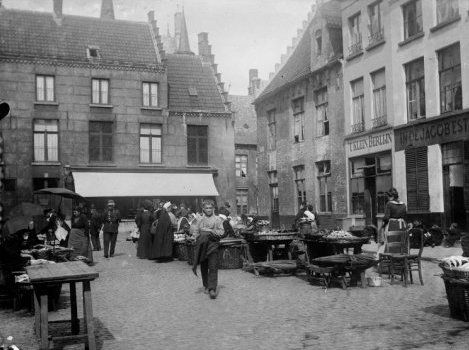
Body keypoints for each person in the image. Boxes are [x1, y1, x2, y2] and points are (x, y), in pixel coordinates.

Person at [192, 199, 226, 299]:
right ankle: (206, 285)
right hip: (202, 246)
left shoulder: (217, 219)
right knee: (204, 266)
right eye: (206, 208)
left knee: (213, 266)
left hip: (213, 245)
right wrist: (196, 239)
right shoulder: (200, 220)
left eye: (210, 208)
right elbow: (196, 232)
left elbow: (221, 232)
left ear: (213, 208)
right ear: (203, 209)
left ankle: (212, 289)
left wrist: (210, 231)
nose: (208, 210)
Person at [378, 188, 407, 255]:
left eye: (388, 196)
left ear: (391, 196)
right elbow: (405, 216)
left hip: (393, 226)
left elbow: (386, 217)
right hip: (402, 226)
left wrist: (383, 224)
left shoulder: (389, 204)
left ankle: (391, 257)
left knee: (391, 242)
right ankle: (401, 256)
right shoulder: (403, 204)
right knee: (401, 242)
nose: (388, 198)